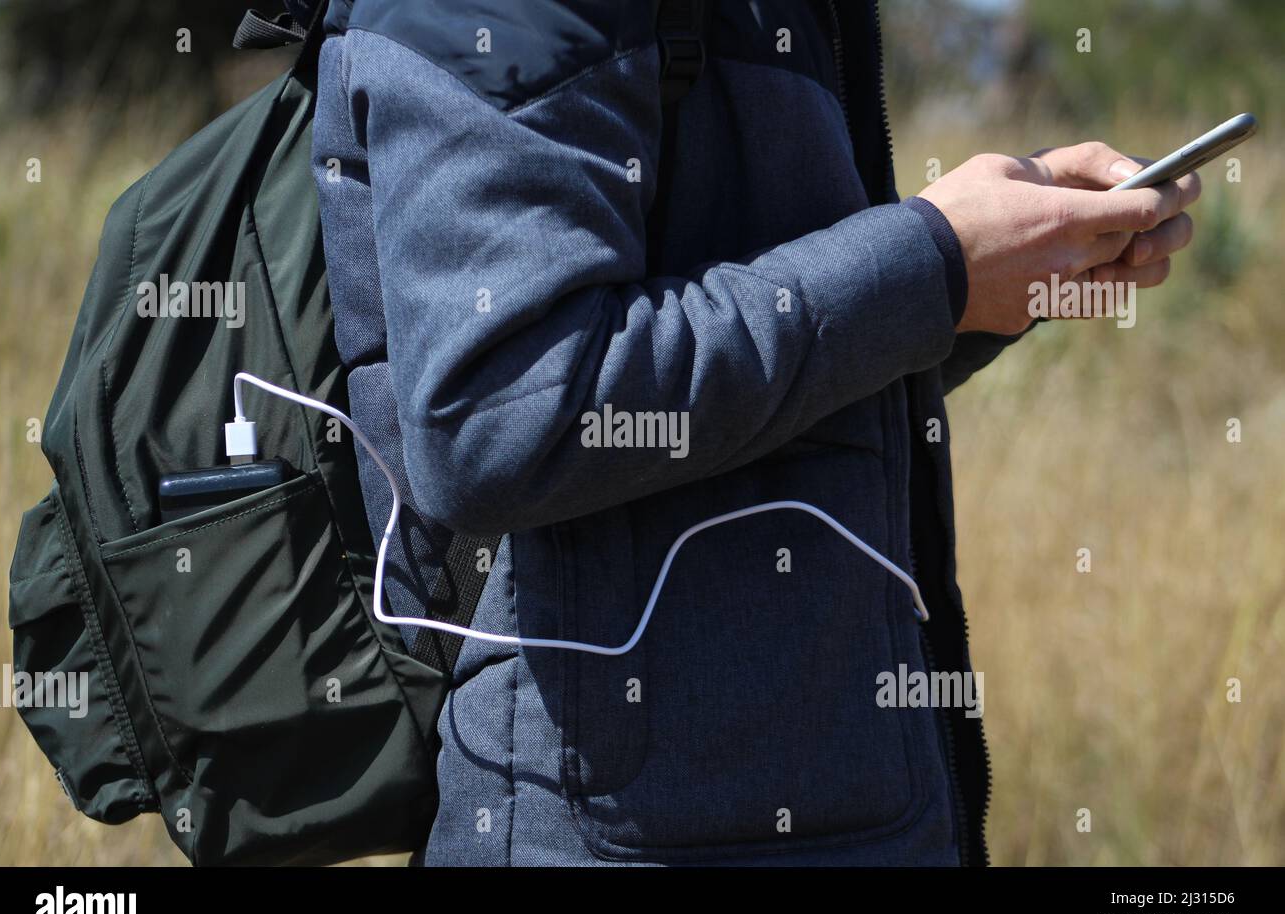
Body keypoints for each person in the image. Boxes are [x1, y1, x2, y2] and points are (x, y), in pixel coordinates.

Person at [309, 0, 1200, 866]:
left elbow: (778, 383)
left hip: (839, 812)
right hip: (604, 834)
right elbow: (497, 419)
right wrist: (932, 265)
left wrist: (989, 274)